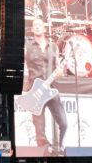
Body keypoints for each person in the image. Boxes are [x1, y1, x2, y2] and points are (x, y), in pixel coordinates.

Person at [23, 17, 67, 155]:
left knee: (64, 122)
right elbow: (23, 67)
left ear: (44, 28)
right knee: (39, 129)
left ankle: (59, 147)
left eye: (39, 25)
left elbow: (59, 68)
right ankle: (45, 153)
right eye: (34, 25)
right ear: (32, 29)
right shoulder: (27, 46)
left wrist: (61, 72)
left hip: (52, 88)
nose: (37, 27)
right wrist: (26, 88)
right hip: (35, 91)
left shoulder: (53, 46)